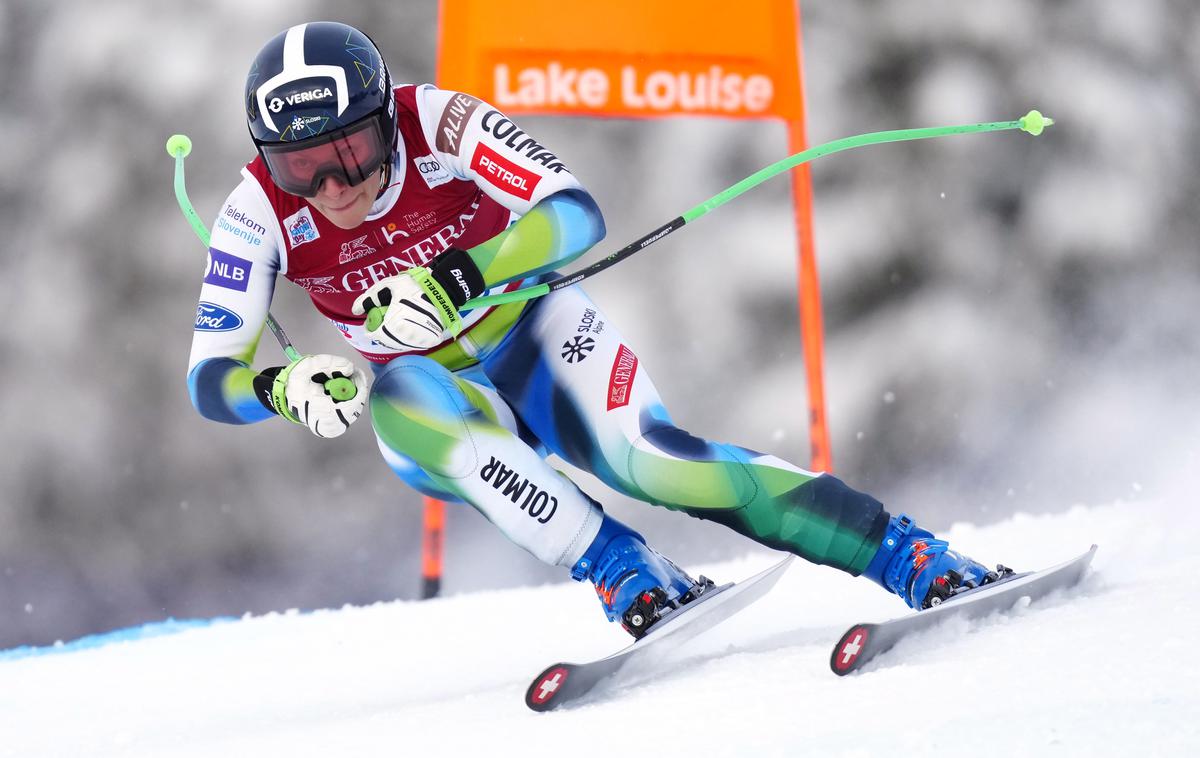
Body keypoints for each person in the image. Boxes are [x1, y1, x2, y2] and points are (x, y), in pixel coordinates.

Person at [187, 21, 1008, 638]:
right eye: (304, 166)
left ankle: (908, 555)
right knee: (405, 396)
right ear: (271, 157)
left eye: (353, 150)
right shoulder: (255, 211)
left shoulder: (437, 121)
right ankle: (620, 566)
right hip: (434, 400)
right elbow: (209, 381)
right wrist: (282, 387)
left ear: (383, 120)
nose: (334, 184)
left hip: (537, 335)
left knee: (654, 465)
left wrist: (464, 273)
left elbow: (575, 214)